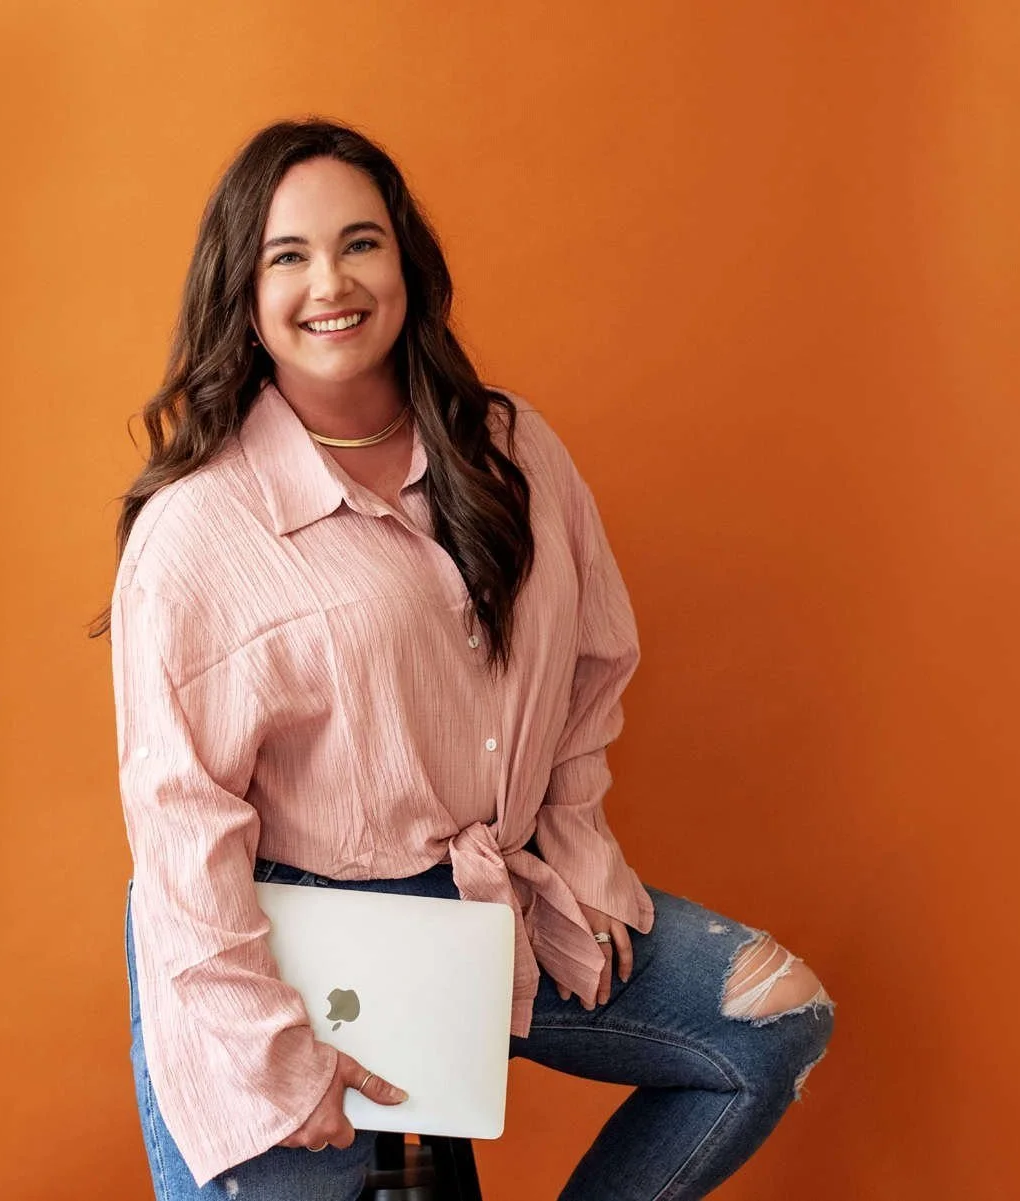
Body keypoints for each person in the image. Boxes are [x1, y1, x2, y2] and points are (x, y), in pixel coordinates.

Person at [97, 118, 835, 1201]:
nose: (330, 283)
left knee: (772, 1024)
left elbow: (591, 665)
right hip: (275, 948)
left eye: (359, 242)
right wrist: (270, 1051)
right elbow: (179, 825)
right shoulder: (197, 529)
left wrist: (573, 843)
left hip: (488, 900)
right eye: (286, 255)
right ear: (242, 294)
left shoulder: (512, 449)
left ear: (405, 261)